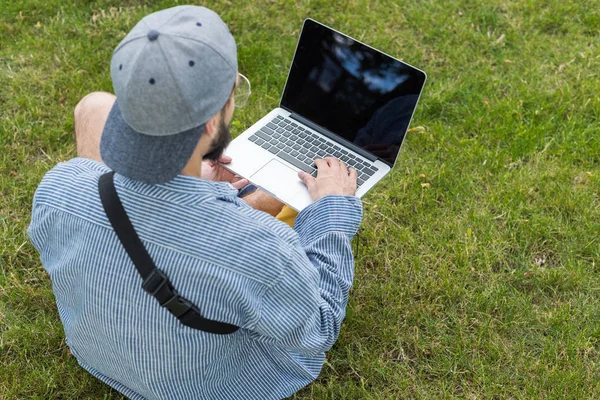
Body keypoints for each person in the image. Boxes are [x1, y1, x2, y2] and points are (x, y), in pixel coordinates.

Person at [28, 5, 362, 400]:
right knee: (302, 217)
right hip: (211, 385)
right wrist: (333, 212)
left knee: (92, 105)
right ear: (209, 123)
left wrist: (195, 182)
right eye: (233, 89)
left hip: (98, 354)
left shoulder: (58, 189)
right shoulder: (263, 248)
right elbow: (318, 330)